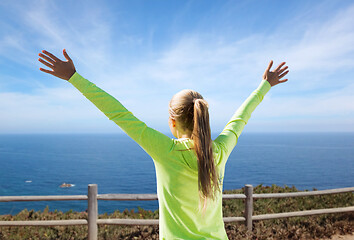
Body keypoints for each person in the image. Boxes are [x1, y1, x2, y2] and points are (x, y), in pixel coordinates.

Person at [38, 49, 289, 239]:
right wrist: (265, 84)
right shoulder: (219, 151)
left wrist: (74, 77)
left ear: (172, 122)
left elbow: (119, 114)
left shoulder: (165, 150)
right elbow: (240, 118)